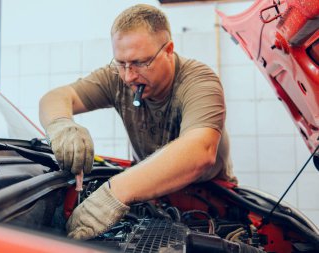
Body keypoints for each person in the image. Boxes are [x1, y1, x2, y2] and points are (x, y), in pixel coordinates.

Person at [39, 4, 237, 240]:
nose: (129, 76)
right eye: (121, 63)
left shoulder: (200, 82)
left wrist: (114, 194)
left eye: (140, 63)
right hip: (149, 194)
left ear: (168, 50)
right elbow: (55, 97)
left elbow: (200, 151)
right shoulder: (118, 77)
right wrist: (62, 125)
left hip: (211, 201)